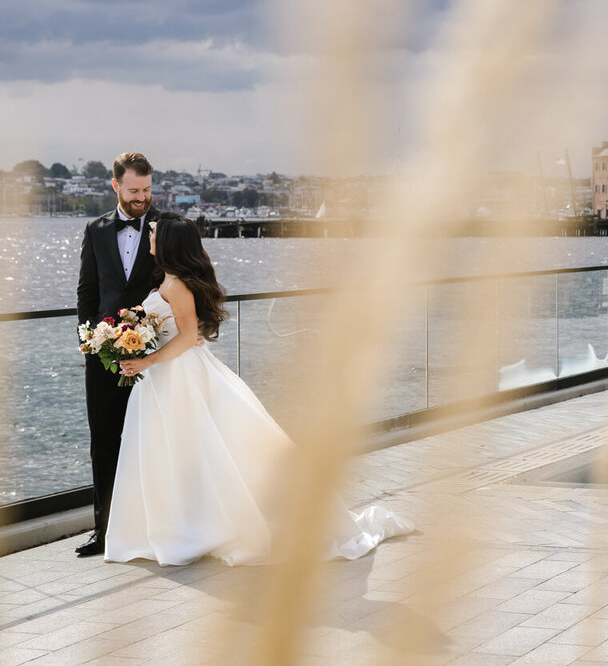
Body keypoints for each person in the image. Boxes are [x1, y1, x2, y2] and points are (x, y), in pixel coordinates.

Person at [106, 214, 413, 565]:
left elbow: (190, 338)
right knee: (185, 451)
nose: (150, 237)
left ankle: (196, 528)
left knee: (202, 448)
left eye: (156, 233)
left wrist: (146, 361)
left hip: (179, 377)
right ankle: (187, 524)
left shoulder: (176, 287)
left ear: (170, 243)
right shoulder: (170, 280)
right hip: (168, 378)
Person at [74, 152, 157, 558]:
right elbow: (87, 292)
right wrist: (89, 341)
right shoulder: (95, 230)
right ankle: (104, 532)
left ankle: (154, 527)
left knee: (154, 440)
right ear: (115, 186)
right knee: (104, 442)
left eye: (146, 190)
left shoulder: (170, 228)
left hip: (156, 359)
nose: (141, 198)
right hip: (102, 359)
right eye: (134, 191)